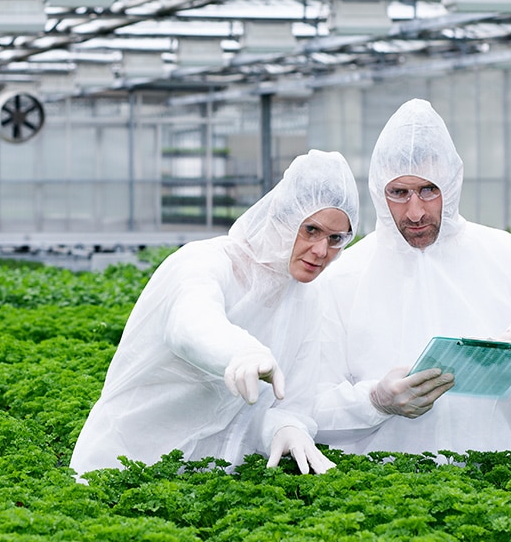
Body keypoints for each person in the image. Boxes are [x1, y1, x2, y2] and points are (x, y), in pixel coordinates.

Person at [312, 98, 511, 457]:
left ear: (451, 184)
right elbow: (311, 409)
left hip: (501, 493)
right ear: (379, 189)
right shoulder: (343, 275)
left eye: (429, 189)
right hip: (386, 492)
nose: (415, 211)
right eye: (399, 192)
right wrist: (375, 401)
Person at [70, 149, 360, 481]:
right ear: (283, 217)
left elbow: (293, 395)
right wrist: (240, 351)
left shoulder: (306, 297)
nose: (322, 251)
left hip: (208, 478)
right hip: (124, 461)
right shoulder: (204, 261)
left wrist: (288, 425)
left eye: (336, 239)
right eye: (311, 230)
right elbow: (190, 323)